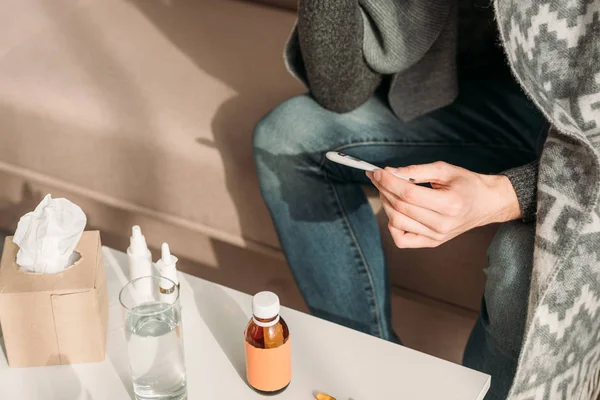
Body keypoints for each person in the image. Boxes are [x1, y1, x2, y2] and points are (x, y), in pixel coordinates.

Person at [253, 0, 600, 399]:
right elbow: (339, 89)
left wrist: (507, 195)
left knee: (521, 265)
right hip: (498, 103)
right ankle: (372, 380)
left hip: (584, 140)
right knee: (287, 138)